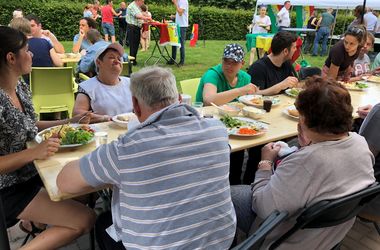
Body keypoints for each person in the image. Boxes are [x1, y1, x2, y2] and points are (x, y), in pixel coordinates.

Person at [57, 66, 237, 250]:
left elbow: (64, 183)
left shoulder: (127, 148)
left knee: (104, 221)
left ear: (135, 105)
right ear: (180, 98)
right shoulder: (217, 130)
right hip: (223, 242)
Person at [231, 76, 375, 249]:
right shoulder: (360, 143)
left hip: (287, 240)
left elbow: (262, 207)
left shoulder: (306, 163)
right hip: (328, 238)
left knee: (227, 196)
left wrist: (265, 162)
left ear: (305, 120)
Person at [0, 26, 96, 250]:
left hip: (33, 173)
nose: (32, 54)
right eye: (27, 50)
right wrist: (33, 152)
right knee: (86, 219)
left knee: (82, 190)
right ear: (11, 57)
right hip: (9, 190)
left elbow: (29, 125)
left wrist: (68, 122)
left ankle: (33, 224)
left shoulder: (19, 85)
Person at [195, 43, 258, 185]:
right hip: (207, 123)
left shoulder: (245, 78)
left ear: (242, 63)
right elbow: (208, 99)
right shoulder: (213, 74)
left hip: (232, 126)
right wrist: (240, 91)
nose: (229, 66)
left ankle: (238, 184)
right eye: (226, 61)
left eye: (234, 62)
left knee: (244, 149)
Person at [73, 43, 133, 123]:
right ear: (98, 62)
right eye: (111, 57)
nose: (117, 61)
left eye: (119, 58)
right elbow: (77, 114)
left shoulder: (131, 83)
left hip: (131, 130)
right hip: (102, 132)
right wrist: (105, 118)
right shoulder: (88, 87)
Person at [248, 31, 298, 96]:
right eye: (294, 47)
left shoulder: (287, 63)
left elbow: (296, 86)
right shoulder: (258, 68)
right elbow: (253, 94)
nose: (296, 49)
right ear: (285, 51)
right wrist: (280, 86)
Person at [126, 0, 152, 65]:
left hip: (136, 27)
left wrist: (145, 16)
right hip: (132, 28)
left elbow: (141, 14)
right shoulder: (132, 6)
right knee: (133, 45)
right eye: (142, 1)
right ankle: (132, 61)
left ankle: (134, 60)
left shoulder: (137, 6)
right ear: (138, 0)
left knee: (136, 45)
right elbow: (138, 16)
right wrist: (147, 18)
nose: (143, 3)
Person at [167, 0, 189, 66]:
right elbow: (179, 14)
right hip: (177, 25)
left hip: (182, 26)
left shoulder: (183, 1)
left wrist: (176, 3)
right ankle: (172, 59)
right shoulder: (179, 1)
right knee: (174, 43)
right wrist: (174, 16)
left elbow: (180, 13)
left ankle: (182, 61)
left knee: (181, 44)